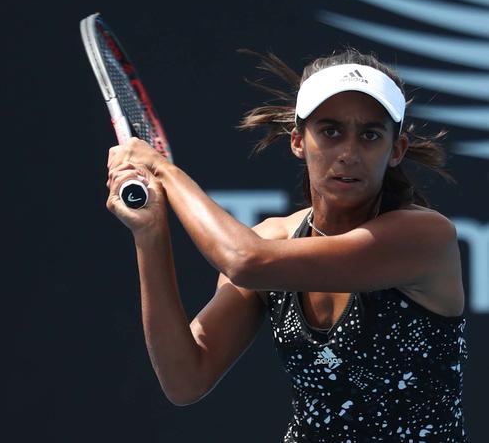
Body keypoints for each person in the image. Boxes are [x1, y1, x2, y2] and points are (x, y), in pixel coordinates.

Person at [105, 48, 468, 442]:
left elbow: (244, 260)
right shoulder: (272, 239)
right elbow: (186, 378)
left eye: (370, 135)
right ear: (298, 141)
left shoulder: (424, 238)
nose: (348, 153)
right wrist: (150, 236)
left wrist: (163, 169)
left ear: (395, 150)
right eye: (330, 131)